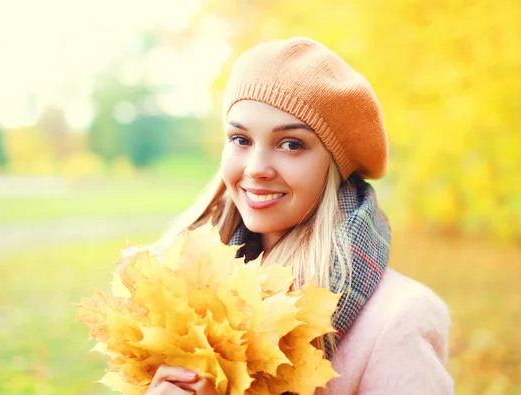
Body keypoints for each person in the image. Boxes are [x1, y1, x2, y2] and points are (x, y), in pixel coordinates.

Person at [145, 37, 454, 395]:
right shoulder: (183, 299)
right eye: (241, 139)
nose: (257, 168)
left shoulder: (399, 319)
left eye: (291, 144)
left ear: (334, 166)